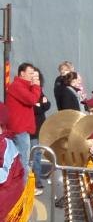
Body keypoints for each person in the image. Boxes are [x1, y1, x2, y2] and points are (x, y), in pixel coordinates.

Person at [5, 63, 41, 178]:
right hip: (19, 129)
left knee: (20, 161)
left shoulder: (21, 86)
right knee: (23, 162)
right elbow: (32, 99)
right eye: (30, 73)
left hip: (20, 128)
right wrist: (36, 86)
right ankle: (21, 191)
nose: (32, 76)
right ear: (22, 73)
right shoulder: (17, 86)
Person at [30, 68, 50, 196]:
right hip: (33, 128)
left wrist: (41, 105)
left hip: (40, 127)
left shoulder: (40, 90)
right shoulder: (29, 91)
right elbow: (34, 109)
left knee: (37, 155)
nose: (36, 80)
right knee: (34, 157)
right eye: (33, 77)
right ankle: (35, 182)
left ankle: (35, 180)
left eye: (37, 77)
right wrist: (40, 106)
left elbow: (47, 105)